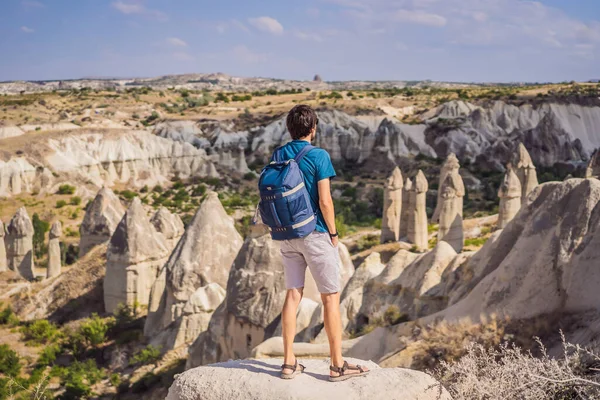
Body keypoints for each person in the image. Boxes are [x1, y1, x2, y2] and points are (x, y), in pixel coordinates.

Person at [277, 105, 370, 382]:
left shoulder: (279, 154)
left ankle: (288, 363)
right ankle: (337, 365)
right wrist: (333, 232)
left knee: (293, 295)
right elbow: (326, 201)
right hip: (315, 234)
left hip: (287, 234)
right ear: (313, 129)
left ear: (289, 129)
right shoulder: (319, 155)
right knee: (330, 298)